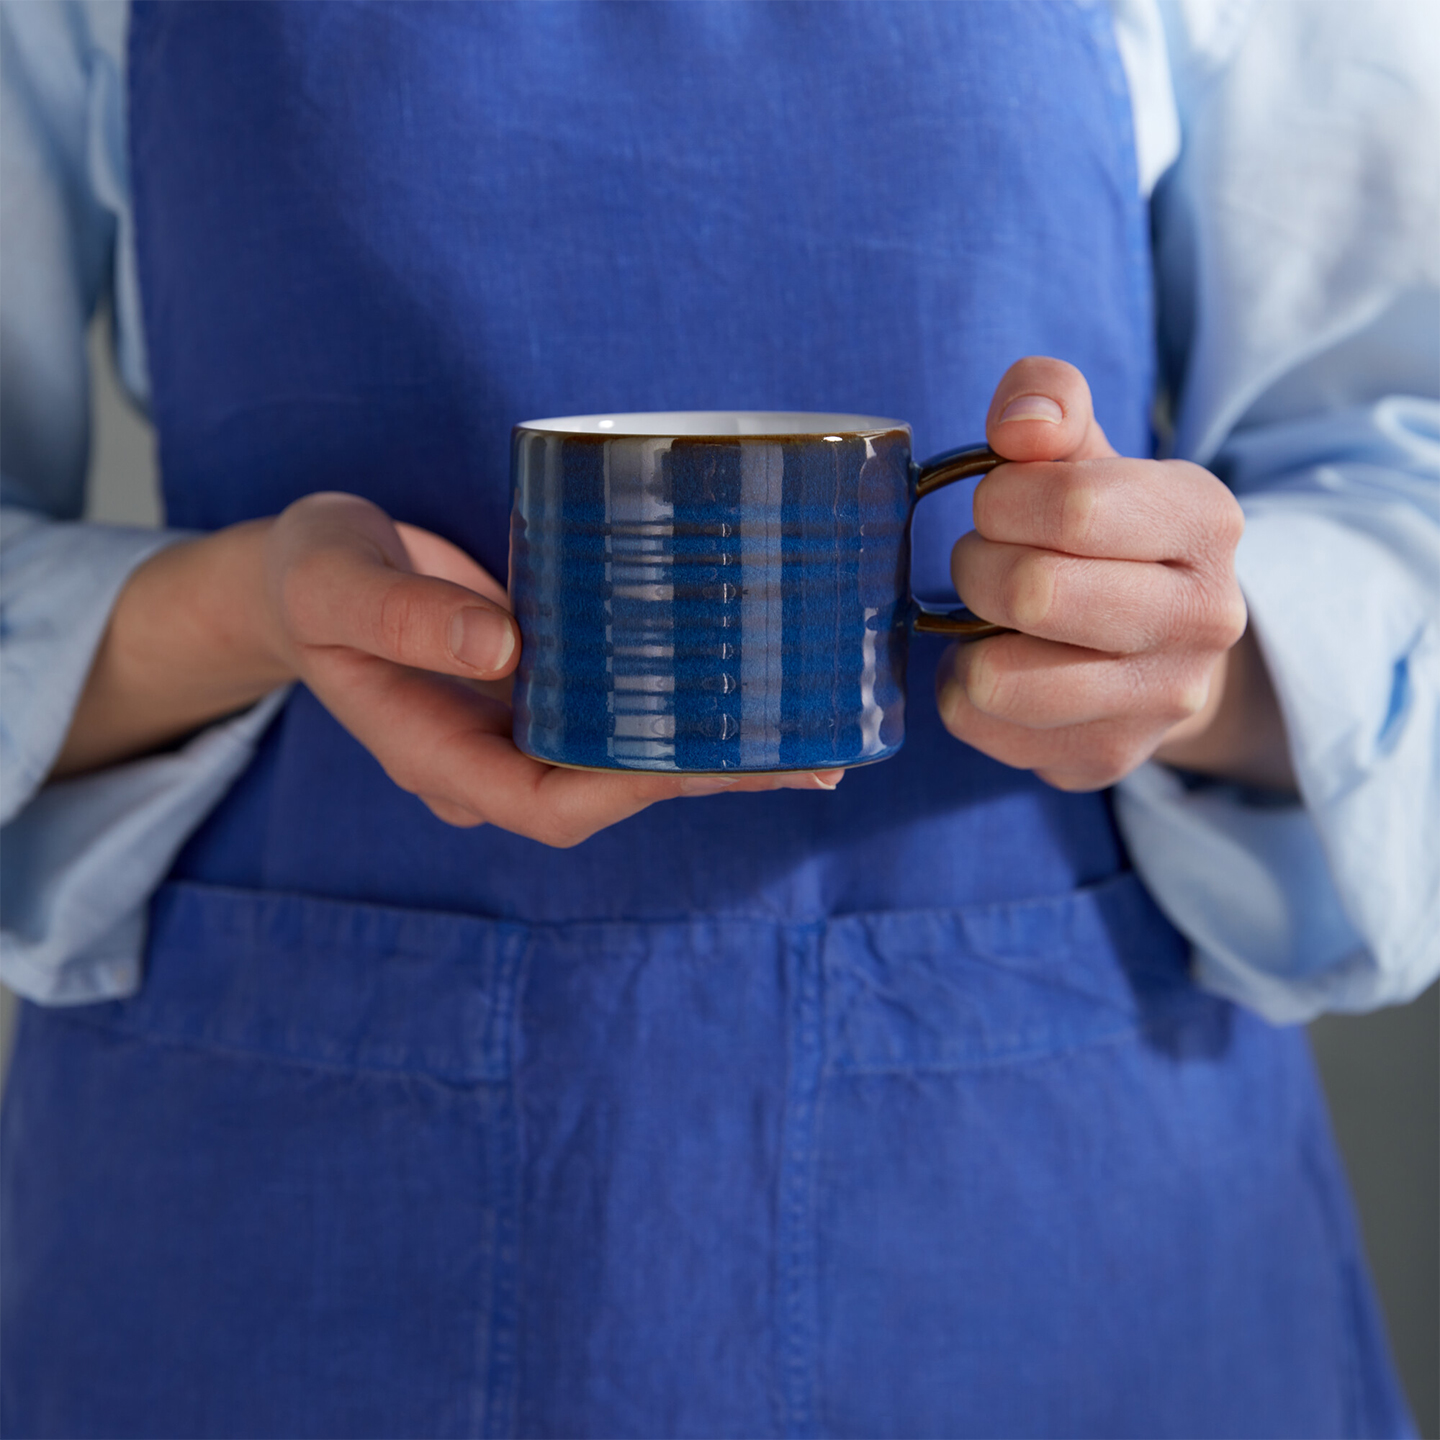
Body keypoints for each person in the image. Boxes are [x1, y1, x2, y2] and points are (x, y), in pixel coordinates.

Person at [0, 0, 1434, 1435]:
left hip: (1064, 1243)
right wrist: (245, 609)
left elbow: (1400, 476)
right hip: (276, 1248)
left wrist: (1188, 657)